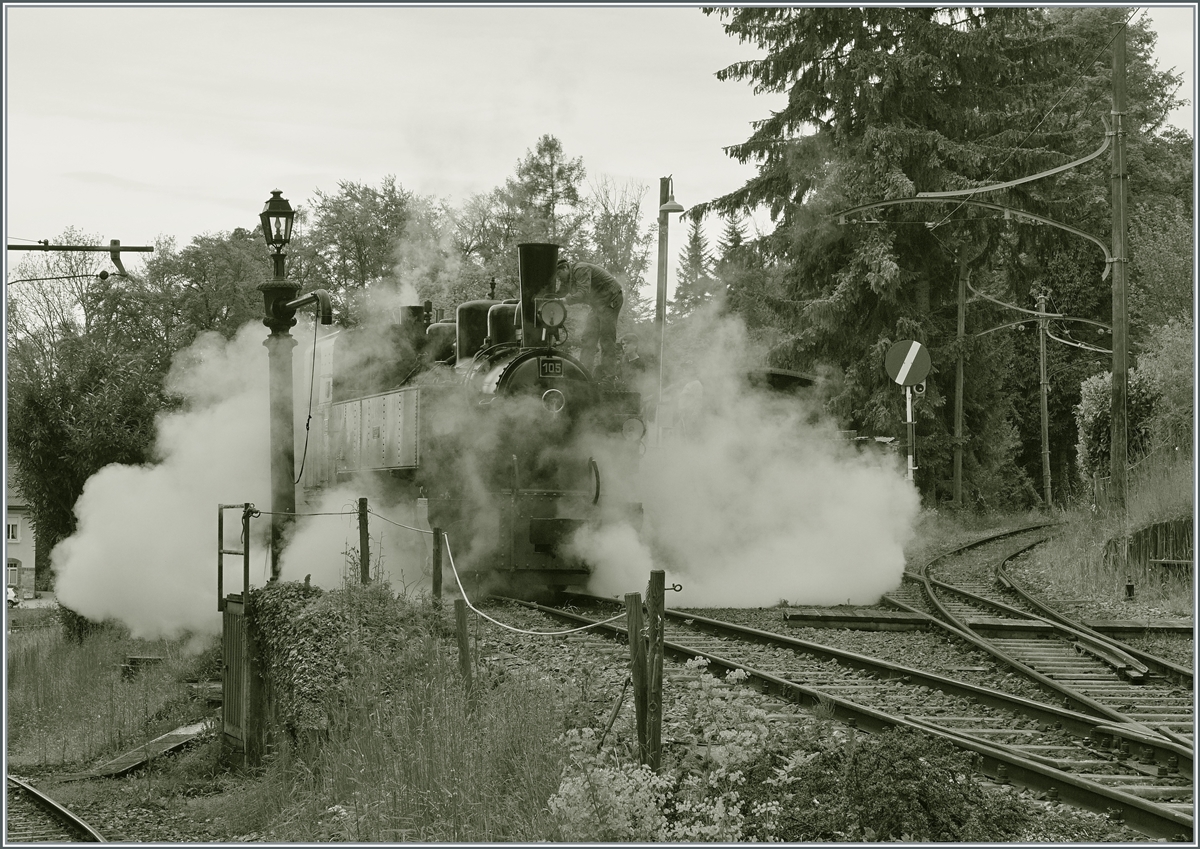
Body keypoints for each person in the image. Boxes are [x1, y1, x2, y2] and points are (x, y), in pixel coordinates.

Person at [557, 257, 624, 381]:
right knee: (588, 337)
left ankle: (608, 377)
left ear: (565, 268)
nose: (558, 278)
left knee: (606, 338)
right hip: (598, 305)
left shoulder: (580, 269)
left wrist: (565, 301)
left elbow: (583, 293)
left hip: (611, 299)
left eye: (559, 274)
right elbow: (559, 293)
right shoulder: (567, 278)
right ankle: (584, 373)